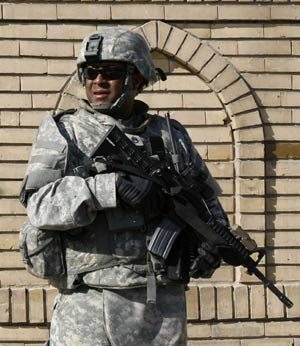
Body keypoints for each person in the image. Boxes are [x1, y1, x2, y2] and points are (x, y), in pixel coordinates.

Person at [19, 28, 230, 346]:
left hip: (162, 304)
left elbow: (206, 205)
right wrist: (106, 188)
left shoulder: (171, 136)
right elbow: (39, 205)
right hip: (90, 301)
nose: (98, 81)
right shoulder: (65, 132)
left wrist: (210, 244)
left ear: (138, 79)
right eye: (91, 72)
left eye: (112, 73)